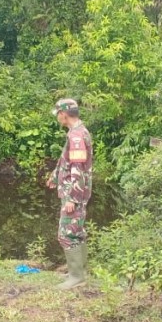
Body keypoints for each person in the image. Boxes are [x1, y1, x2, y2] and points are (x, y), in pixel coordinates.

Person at [46, 98, 93, 289]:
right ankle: (79, 271)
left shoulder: (76, 136)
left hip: (75, 193)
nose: (57, 117)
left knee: (66, 234)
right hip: (76, 191)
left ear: (64, 114)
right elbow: (67, 161)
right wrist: (55, 177)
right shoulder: (76, 132)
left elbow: (78, 168)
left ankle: (76, 277)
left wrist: (72, 198)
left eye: (58, 113)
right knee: (77, 232)